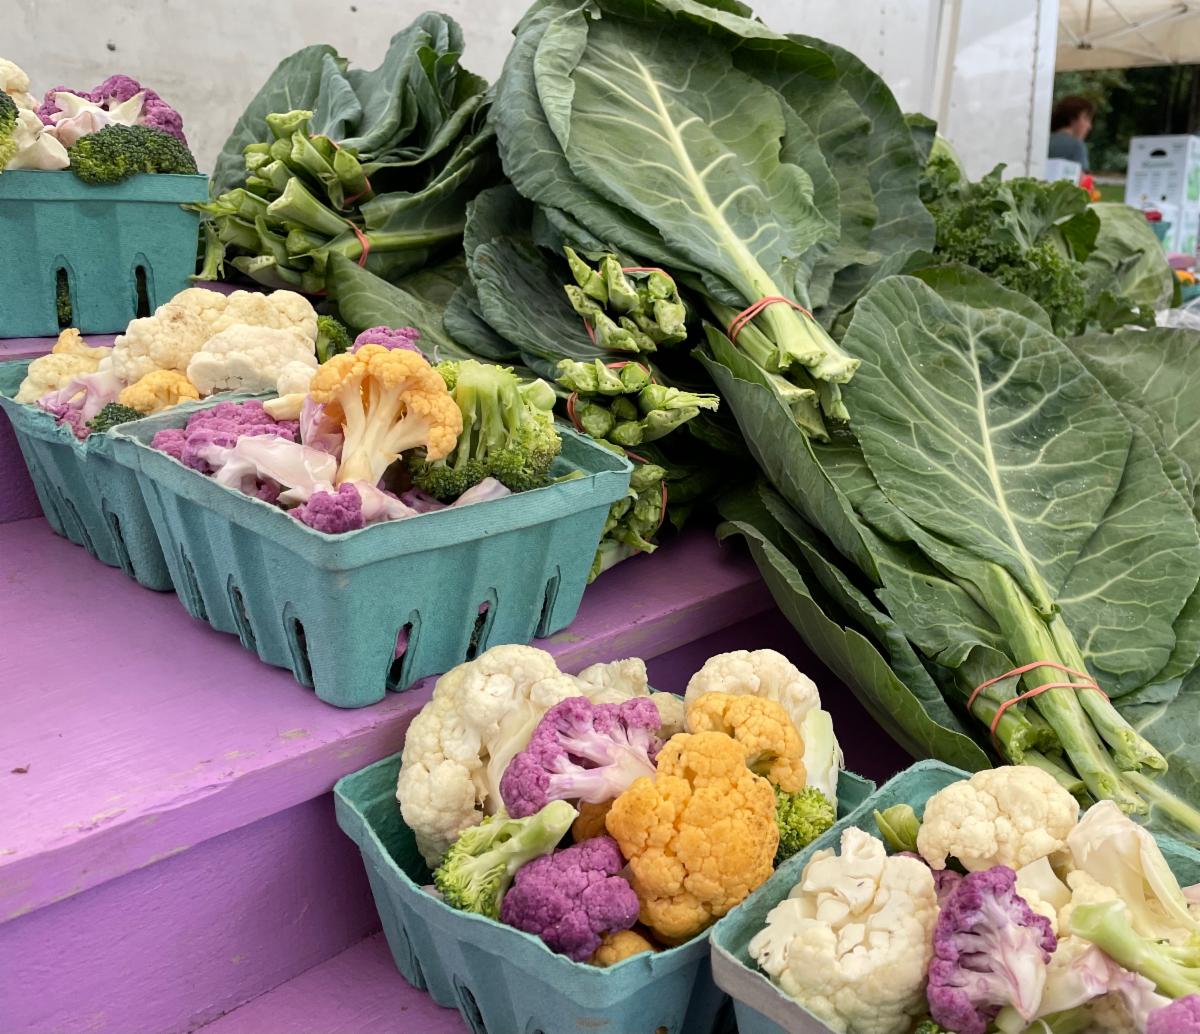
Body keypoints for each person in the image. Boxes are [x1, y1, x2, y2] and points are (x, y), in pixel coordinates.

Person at [1049, 96, 1094, 171]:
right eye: (1086, 119)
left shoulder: (1045, 140)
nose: (1089, 126)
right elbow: (1083, 179)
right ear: (1073, 119)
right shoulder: (1076, 145)